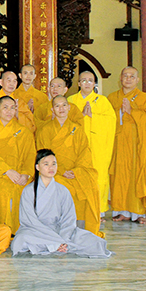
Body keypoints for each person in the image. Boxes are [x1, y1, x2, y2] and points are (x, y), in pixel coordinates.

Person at [10, 150, 112, 258]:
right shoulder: (29, 190)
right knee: (20, 240)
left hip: (59, 230)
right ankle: (59, 246)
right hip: (36, 231)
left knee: (95, 242)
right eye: (46, 164)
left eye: (54, 164)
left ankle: (55, 246)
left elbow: (69, 219)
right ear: (37, 167)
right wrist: (57, 240)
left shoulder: (63, 190)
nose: (51, 167)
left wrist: (63, 238)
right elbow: (29, 220)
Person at [35, 96, 102, 235]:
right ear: (52, 109)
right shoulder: (45, 130)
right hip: (54, 173)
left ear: (69, 108)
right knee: (60, 186)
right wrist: (60, 170)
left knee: (90, 186)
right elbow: (43, 157)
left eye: (64, 105)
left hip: (76, 172)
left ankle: (82, 230)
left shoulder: (78, 129)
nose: (61, 109)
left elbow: (85, 154)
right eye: (57, 106)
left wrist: (76, 171)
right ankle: (59, 229)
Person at [108, 66, 146, 224]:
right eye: (125, 76)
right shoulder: (112, 98)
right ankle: (121, 211)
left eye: (132, 76)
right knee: (119, 177)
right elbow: (105, 120)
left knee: (138, 176)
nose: (128, 79)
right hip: (118, 144)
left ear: (137, 80)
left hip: (138, 145)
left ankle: (138, 212)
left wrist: (133, 112)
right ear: (120, 78)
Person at [0, 96, 35, 233]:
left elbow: (30, 156)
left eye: (12, 108)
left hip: (20, 175)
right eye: (5, 108)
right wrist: (7, 171)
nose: (9, 111)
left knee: (25, 191)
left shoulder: (24, 132)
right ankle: (1, 231)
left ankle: (22, 232)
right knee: (2, 191)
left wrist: (26, 174)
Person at [67, 71, 116, 216]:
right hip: (77, 144)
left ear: (94, 84)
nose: (87, 83)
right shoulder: (71, 100)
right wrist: (80, 116)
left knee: (98, 176)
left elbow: (111, 121)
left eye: (90, 80)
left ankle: (99, 210)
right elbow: (65, 121)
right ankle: (78, 210)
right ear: (79, 83)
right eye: (84, 80)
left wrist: (92, 116)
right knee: (77, 175)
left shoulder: (102, 101)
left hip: (97, 146)